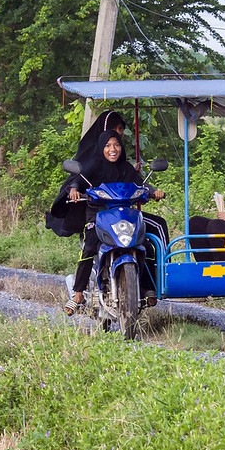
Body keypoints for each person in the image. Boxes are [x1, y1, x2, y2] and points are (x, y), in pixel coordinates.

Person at [64, 130, 165, 316]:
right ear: (102, 147)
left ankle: (148, 287)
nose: (113, 149)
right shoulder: (92, 166)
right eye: (108, 145)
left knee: (146, 246)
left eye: (116, 145)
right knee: (90, 245)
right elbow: (77, 180)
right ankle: (78, 293)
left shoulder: (126, 168)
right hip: (98, 216)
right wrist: (74, 190)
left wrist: (154, 191)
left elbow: (140, 184)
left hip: (124, 217)